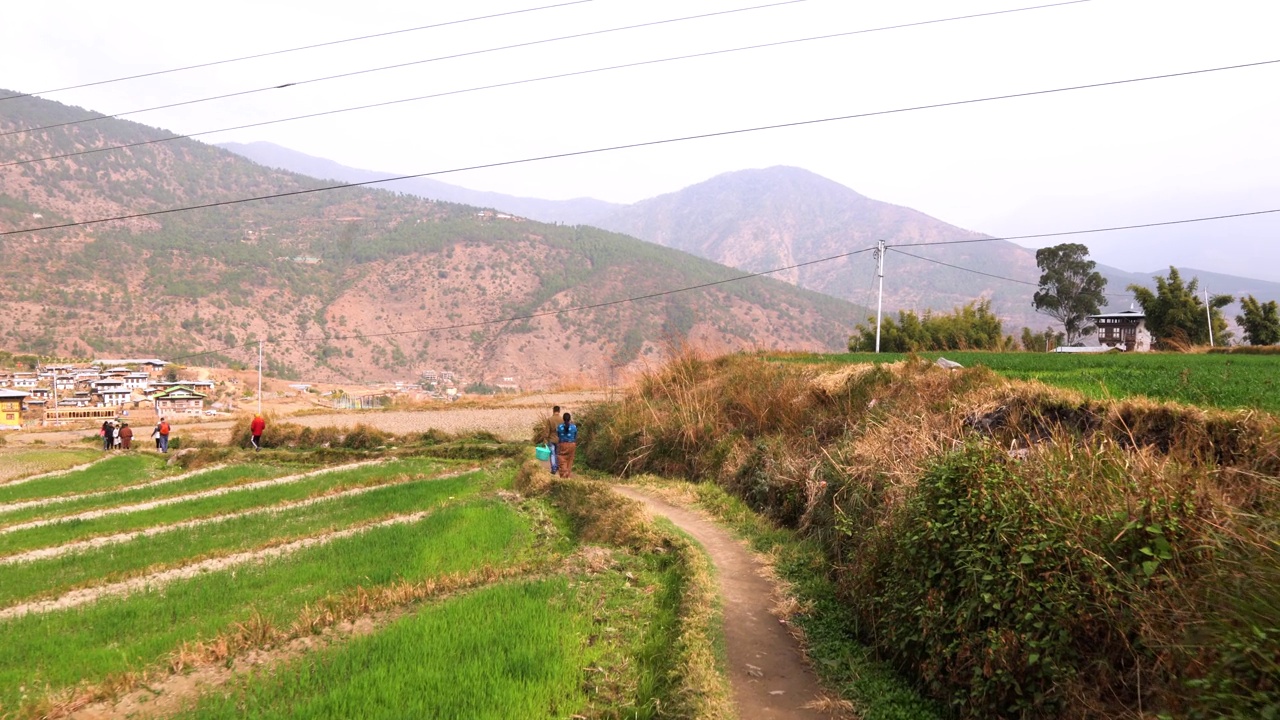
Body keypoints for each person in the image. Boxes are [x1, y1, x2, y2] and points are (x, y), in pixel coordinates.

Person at [556, 412, 578, 479]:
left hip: (562, 444)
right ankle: (567, 474)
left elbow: (558, 436)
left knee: (562, 459)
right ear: (570, 419)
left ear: (563, 419)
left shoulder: (559, 427)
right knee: (570, 460)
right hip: (572, 445)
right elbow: (575, 436)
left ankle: (563, 474)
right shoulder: (574, 427)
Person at [545, 405, 561, 475]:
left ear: (553, 411)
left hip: (551, 439)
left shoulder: (550, 419)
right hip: (559, 439)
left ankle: (553, 468)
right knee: (557, 453)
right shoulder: (562, 419)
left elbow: (547, 431)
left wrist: (545, 438)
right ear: (559, 411)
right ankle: (557, 466)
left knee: (552, 454)